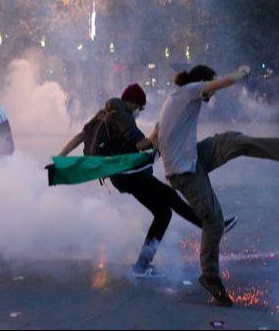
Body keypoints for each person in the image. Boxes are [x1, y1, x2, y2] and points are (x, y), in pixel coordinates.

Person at [155, 65, 279, 307]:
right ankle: (210, 276)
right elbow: (219, 84)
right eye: (209, 89)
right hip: (184, 172)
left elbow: (153, 136)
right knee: (214, 221)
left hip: (194, 157)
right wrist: (240, 73)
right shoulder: (190, 90)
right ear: (202, 83)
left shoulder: (176, 98)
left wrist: (137, 149)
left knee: (235, 141)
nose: (211, 97)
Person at [59, 83, 237, 278]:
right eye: (139, 107)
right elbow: (142, 145)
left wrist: (61, 158)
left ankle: (147, 263)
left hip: (124, 174)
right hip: (129, 174)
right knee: (165, 208)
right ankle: (208, 228)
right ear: (130, 102)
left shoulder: (103, 114)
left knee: (165, 207)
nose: (140, 111)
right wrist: (158, 132)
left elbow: (79, 137)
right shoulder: (122, 116)